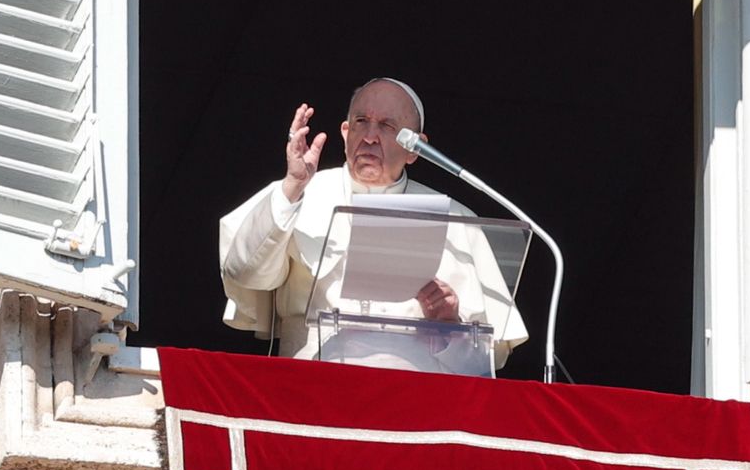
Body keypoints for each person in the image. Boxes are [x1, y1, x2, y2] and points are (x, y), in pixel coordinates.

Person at [219, 77, 527, 371]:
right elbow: (245, 273)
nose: (369, 136)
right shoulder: (298, 193)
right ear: (345, 132)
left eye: (387, 126)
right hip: (310, 387)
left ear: (414, 148)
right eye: (361, 122)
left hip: (413, 401)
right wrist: (292, 186)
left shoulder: (455, 218)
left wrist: (448, 324)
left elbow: (484, 362)